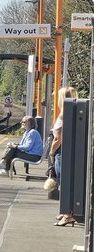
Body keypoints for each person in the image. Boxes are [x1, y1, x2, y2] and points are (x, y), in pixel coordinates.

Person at [52, 87, 79, 224]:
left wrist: (51, 152)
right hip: (71, 152)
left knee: (64, 183)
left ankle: (68, 215)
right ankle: (65, 211)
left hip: (61, 153)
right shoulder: (76, 112)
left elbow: (58, 139)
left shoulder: (63, 116)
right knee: (69, 183)